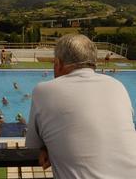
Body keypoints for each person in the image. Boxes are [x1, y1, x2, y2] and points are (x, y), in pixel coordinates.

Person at [26, 34, 136, 178]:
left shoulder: (43, 90)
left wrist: (46, 147)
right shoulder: (117, 86)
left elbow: (33, 144)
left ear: (58, 63)